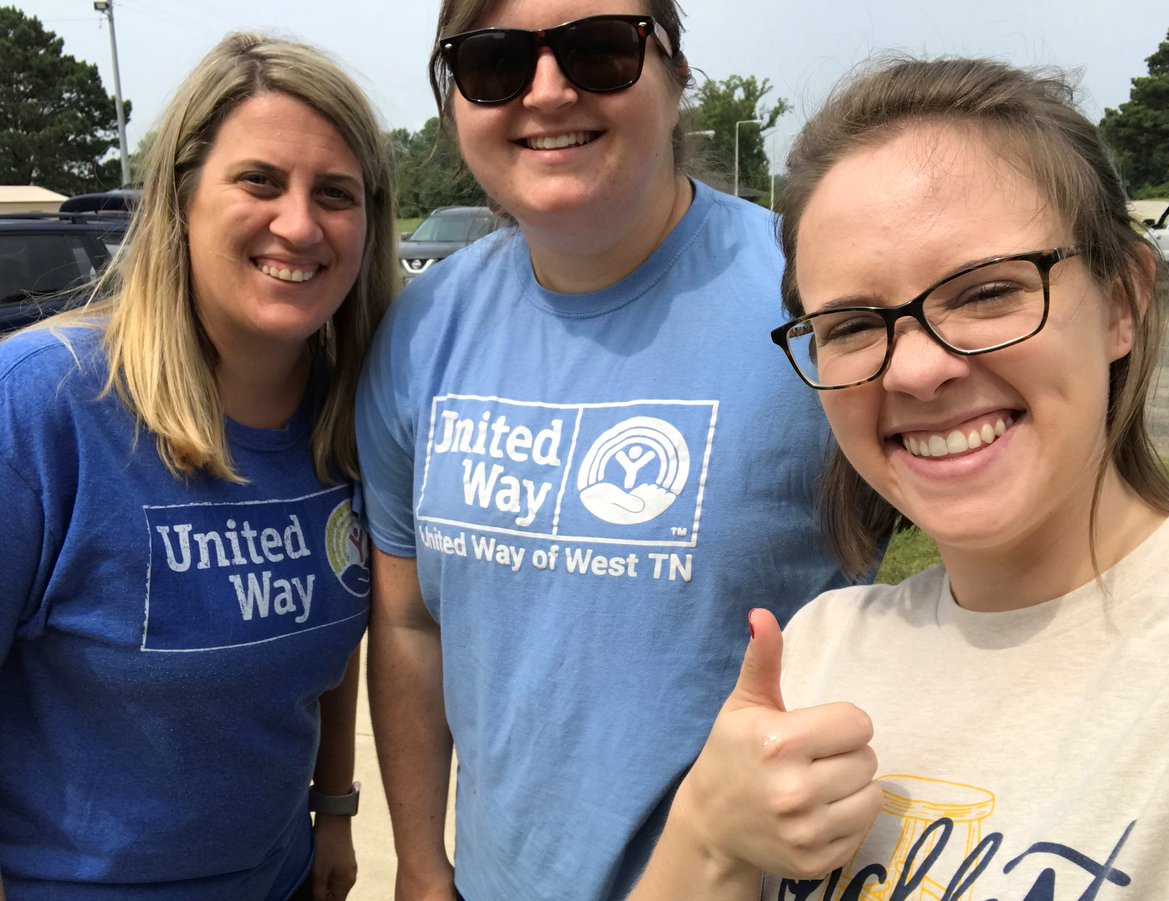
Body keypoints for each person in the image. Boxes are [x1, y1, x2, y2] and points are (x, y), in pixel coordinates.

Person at [630, 56, 1169, 899]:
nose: (918, 369)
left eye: (986, 292)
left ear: (1122, 300)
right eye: (853, 324)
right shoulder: (822, 648)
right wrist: (706, 832)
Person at [354, 2, 856, 899]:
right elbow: (407, 623)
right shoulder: (423, 329)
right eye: (494, 62)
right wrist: (422, 865)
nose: (548, 92)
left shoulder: (814, 303)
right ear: (454, 99)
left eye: (599, 49)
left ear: (676, 74)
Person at [0, 32, 396, 900]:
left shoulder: (351, 416)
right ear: (179, 201)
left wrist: (334, 807)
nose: (300, 224)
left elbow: (332, 644)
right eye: (259, 180)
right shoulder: (39, 409)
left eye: (335, 193)